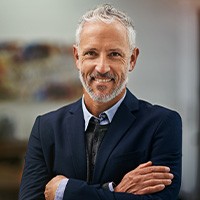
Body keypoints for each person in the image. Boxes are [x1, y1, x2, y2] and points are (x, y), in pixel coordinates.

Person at [19, 4, 182, 200]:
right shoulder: (45, 127)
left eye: (114, 54)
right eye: (91, 53)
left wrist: (65, 191)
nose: (102, 67)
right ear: (77, 57)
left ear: (132, 59)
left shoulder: (162, 124)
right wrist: (114, 191)